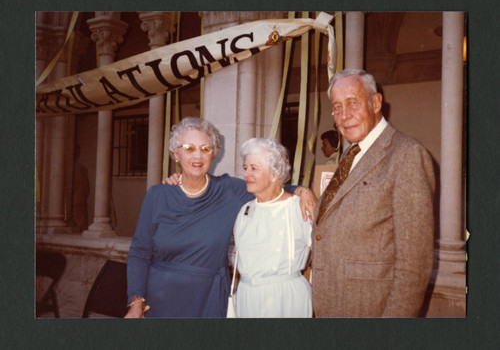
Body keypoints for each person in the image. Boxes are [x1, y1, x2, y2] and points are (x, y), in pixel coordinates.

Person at [125, 117, 316, 318]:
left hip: (209, 299)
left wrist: (303, 191)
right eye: (189, 148)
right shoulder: (157, 195)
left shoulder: (228, 191)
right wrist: (137, 301)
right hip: (162, 300)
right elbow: (139, 251)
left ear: (214, 154)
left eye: (205, 149)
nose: (198, 156)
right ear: (176, 154)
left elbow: (270, 186)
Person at [311, 69, 435, 317]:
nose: (344, 116)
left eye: (352, 103)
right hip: (333, 305)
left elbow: (414, 266)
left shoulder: (406, 154)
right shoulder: (350, 154)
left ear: (376, 102)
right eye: (337, 107)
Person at [233, 138, 312, 318]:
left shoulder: (299, 208)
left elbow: (324, 257)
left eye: (254, 168)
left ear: (275, 173)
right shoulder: (245, 210)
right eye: (246, 168)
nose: (246, 174)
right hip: (248, 297)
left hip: (285, 300)